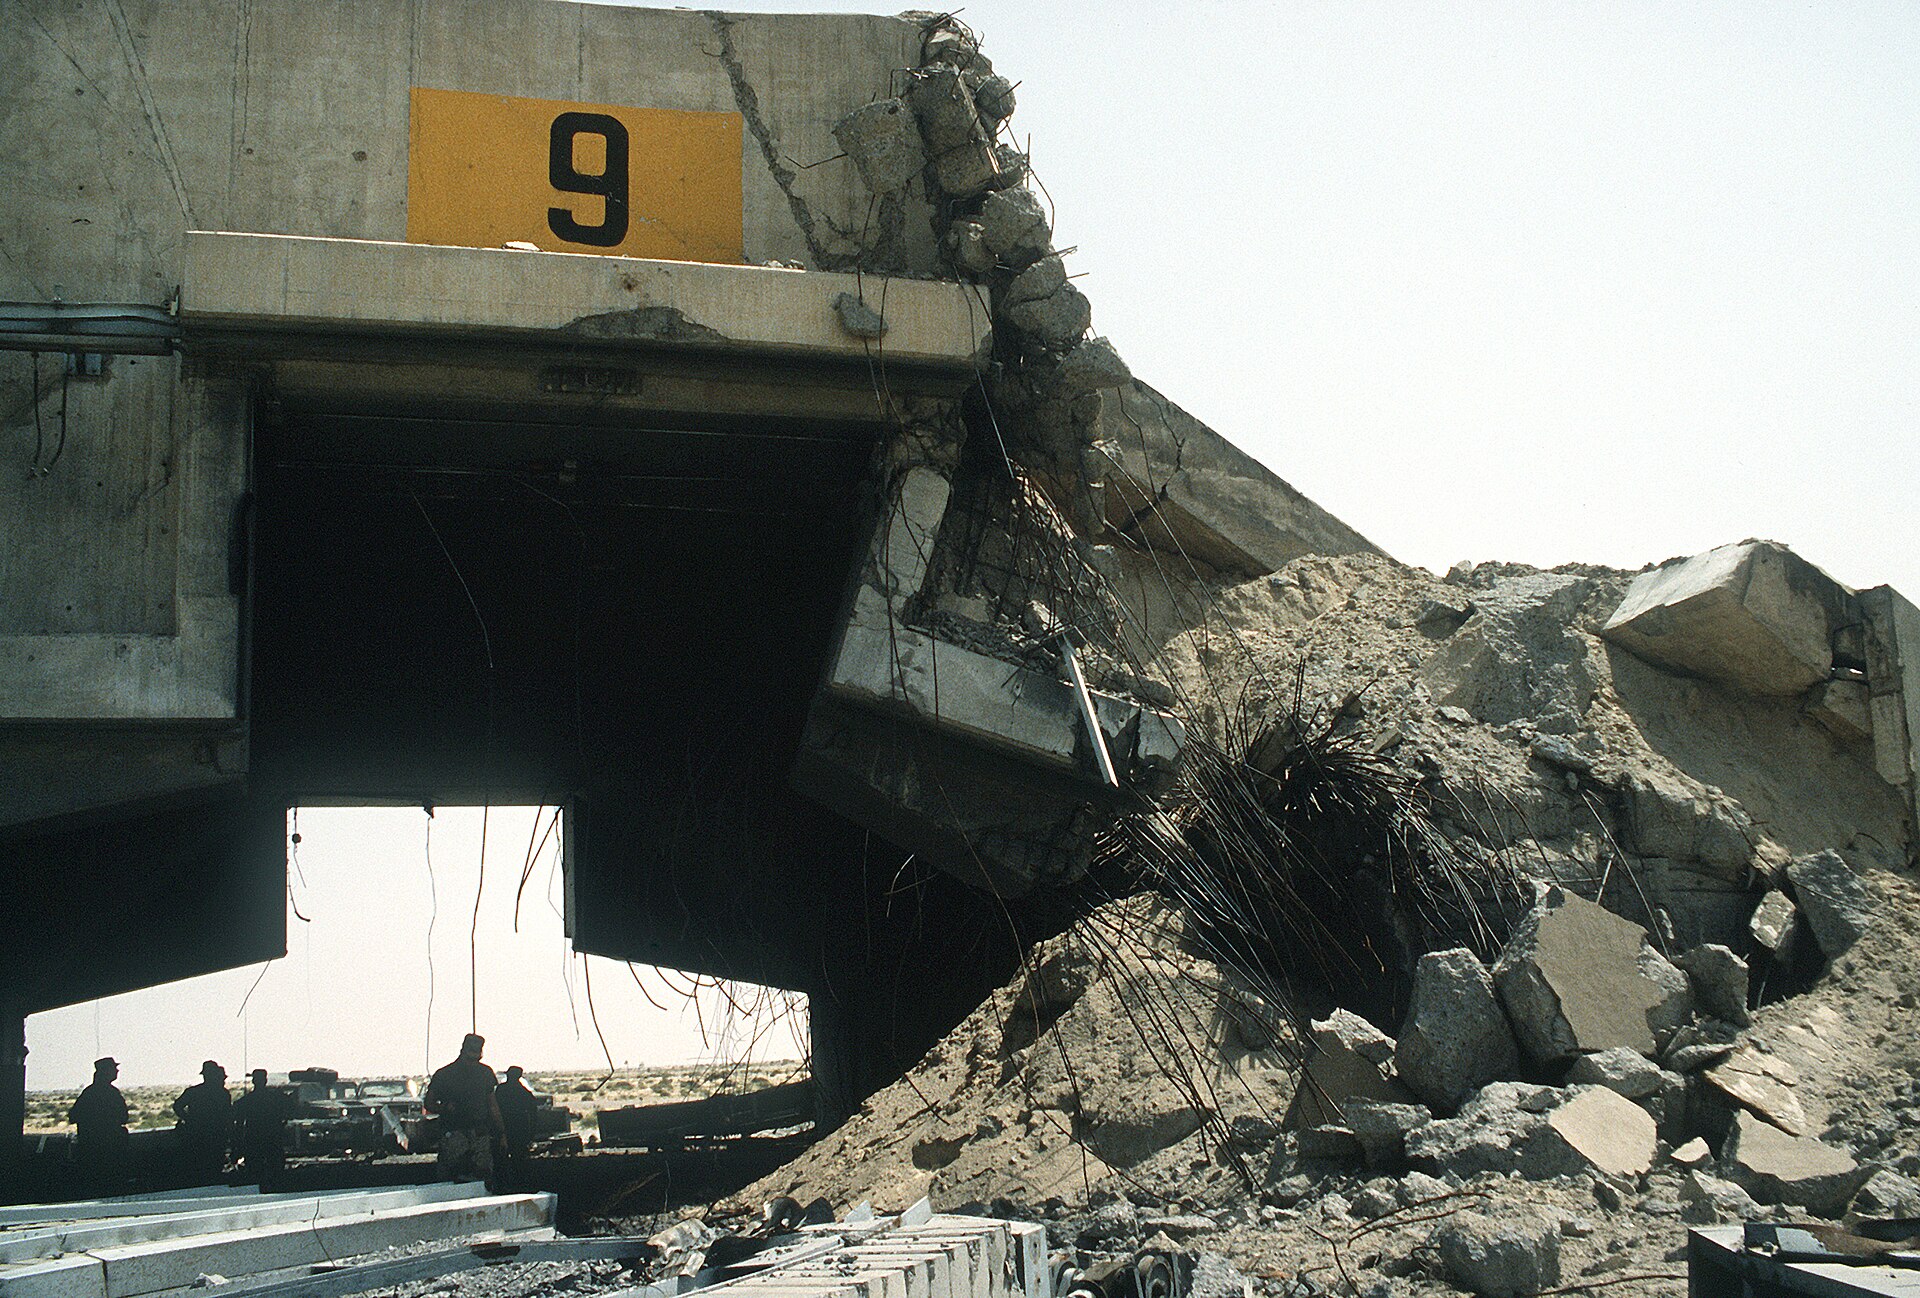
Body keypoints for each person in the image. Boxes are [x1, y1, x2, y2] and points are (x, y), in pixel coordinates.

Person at [424, 1033, 501, 1185]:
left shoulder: (485, 1073)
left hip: (478, 1133)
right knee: (452, 1178)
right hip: (455, 1133)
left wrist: (501, 1133)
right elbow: (429, 1103)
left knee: (481, 1179)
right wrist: (445, 1108)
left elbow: (493, 1106)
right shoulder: (444, 1075)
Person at [68, 1056, 130, 1193]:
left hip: (90, 1146)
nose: (117, 1071)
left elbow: (73, 1116)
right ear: (106, 1071)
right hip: (109, 1146)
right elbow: (124, 1117)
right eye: (114, 1068)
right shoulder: (112, 1093)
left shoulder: (88, 1093)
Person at [173, 1060, 232, 1184]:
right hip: (215, 1136)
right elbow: (227, 1116)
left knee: (198, 1169)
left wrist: (188, 1119)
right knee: (214, 1168)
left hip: (197, 1136)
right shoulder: (223, 1094)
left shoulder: (193, 1092)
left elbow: (177, 1106)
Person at [230, 1069, 287, 1184]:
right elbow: (286, 1116)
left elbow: (238, 1125)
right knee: (276, 1173)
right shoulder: (276, 1099)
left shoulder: (246, 1101)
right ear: (265, 1080)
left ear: (253, 1081)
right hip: (272, 1140)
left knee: (254, 1174)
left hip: (254, 1140)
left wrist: (237, 1146)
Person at [493, 1065, 538, 1184]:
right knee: (518, 1159)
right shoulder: (524, 1092)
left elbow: (494, 1108)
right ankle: (518, 1183)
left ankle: (504, 1183)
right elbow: (533, 1112)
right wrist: (531, 1132)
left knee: (501, 1158)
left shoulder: (501, 1089)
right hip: (520, 1128)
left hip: (504, 1127)